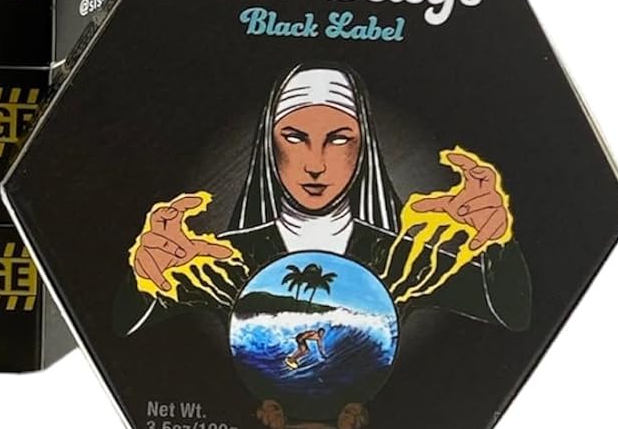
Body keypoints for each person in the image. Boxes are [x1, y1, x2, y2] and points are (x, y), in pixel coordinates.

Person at [116, 64, 531, 336]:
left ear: (363, 151)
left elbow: (514, 313)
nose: (315, 164)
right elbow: (122, 327)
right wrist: (145, 275)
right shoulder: (224, 260)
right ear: (268, 148)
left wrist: (497, 240)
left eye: (338, 139)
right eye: (295, 137)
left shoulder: (402, 260)